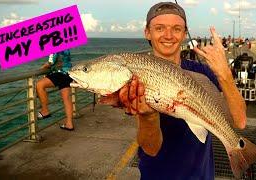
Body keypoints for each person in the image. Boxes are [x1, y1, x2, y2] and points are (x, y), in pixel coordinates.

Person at [100, 2, 246, 179]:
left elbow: (240, 122)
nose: (168, 35)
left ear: (185, 34)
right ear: (147, 32)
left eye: (177, 29)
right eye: (159, 28)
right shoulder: (138, 75)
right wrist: (148, 116)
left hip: (202, 175)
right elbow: (151, 149)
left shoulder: (202, 73)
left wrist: (225, 75)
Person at [36, 49, 74, 131]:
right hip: (67, 74)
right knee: (67, 99)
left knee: (39, 85)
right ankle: (69, 124)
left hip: (59, 73)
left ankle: (45, 110)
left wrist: (42, 67)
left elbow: (51, 62)